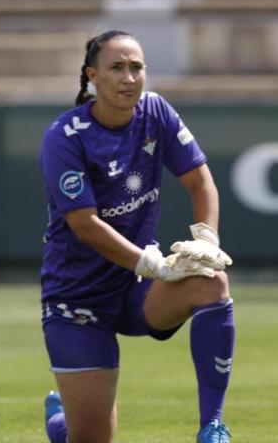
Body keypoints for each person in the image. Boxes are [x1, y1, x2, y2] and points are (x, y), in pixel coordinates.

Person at [38, 30, 235, 443]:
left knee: (211, 280)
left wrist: (207, 241)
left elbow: (201, 184)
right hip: (78, 299)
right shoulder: (64, 137)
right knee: (90, 438)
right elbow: (84, 224)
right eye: (116, 68)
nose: (129, 77)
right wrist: (154, 264)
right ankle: (62, 423)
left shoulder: (156, 112)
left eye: (136, 67)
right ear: (92, 76)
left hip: (138, 290)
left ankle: (212, 426)